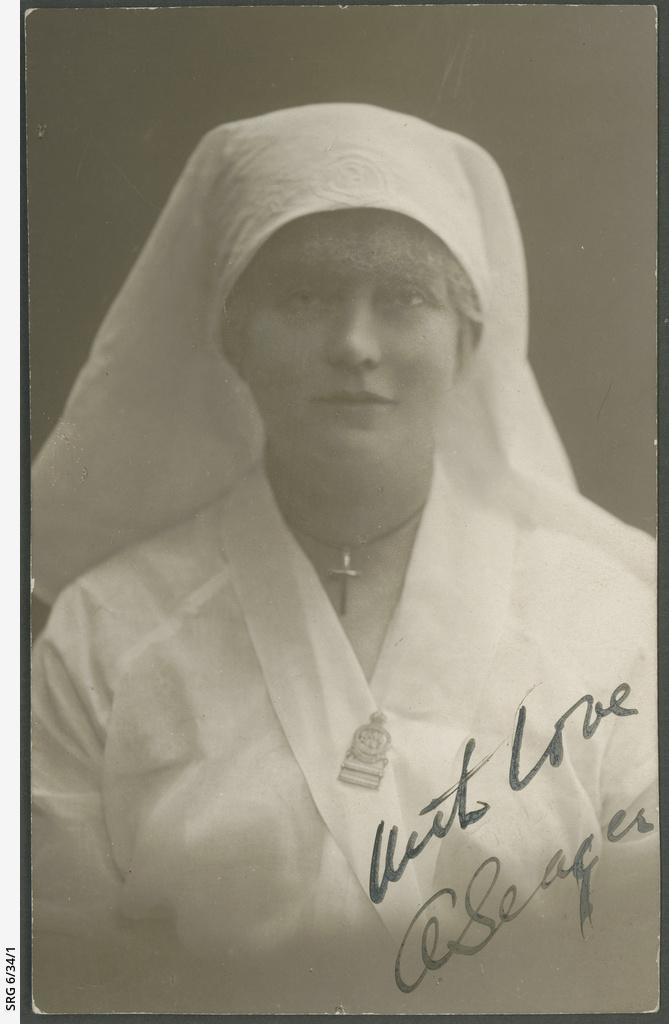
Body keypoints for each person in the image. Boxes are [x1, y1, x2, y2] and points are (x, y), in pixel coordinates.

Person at [31, 103, 658, 1014]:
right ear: (235, 339)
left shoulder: (602, 616)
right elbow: (59, 963)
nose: (355, 346)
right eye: (306, 297)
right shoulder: (105, 631)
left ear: (464, 340)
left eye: (404, 300)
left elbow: (644, 954)